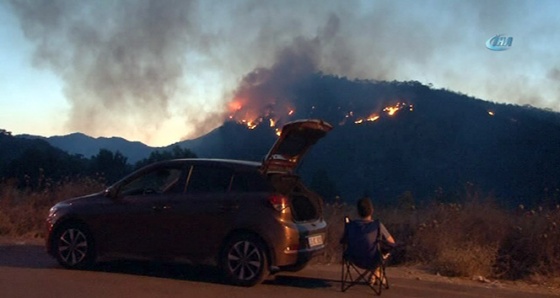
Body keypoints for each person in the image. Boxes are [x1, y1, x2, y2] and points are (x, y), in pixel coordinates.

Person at [341, 196, 396, 282]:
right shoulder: (377, 225)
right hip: (373, 259)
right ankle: (376, 272)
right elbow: (392, 242)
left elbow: (343, 241)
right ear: (372, 210)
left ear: (358, 212)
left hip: (354, 259)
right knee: (384, 251)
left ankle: (375, 273)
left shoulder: (351, 226)